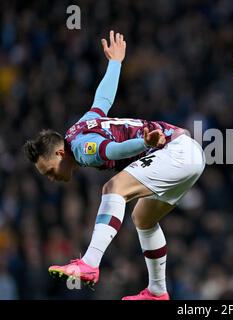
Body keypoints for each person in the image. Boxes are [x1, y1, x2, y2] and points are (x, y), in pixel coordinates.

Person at [23, 31, 205, 300]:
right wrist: (115, 63)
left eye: (50, 170)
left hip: (176, 152)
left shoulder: (82, 149)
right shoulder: (78, 128)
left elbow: (113, 149)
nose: (51, 178)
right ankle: (157, 292)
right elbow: (103, 101)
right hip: (188, 154)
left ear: (60, 153)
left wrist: (143, 143)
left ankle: (90, 263)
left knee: (114, 187)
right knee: (143, 219)